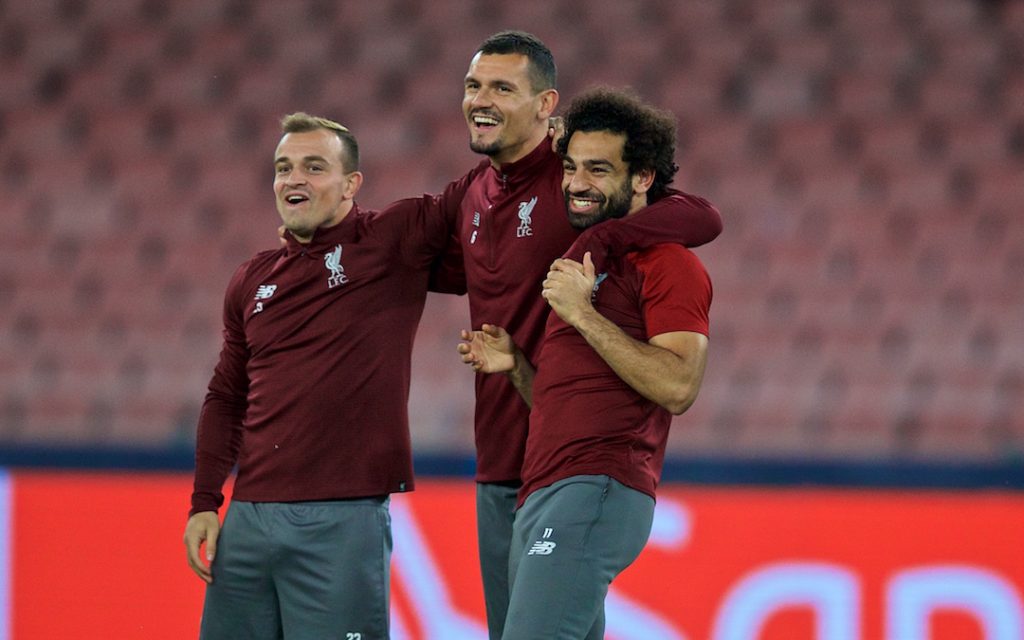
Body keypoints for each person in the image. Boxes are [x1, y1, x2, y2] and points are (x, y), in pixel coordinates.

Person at [436, 31, 723, 639]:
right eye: (572, 169)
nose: (576, 183)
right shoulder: (571, 266)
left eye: (598, 169)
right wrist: (516, 366)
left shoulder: (664, 263)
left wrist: (585, 304)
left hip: (593, 486)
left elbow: (678, 386)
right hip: (544, 483)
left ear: (643, 178)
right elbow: (569, 403)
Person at [182, 113, 483, 640]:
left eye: (313, 167)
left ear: (351, 184)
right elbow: (226, 395)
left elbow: (474, 194)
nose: (292, 179)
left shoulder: (389, 239)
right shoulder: (251, 279)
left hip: (344, 519)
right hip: (249, 521)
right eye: (283, 168)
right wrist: (206, 501)